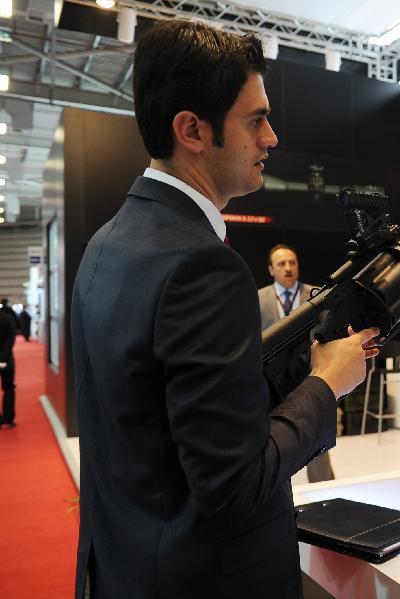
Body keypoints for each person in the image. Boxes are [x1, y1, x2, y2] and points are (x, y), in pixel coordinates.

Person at [70, 21, 378, 599]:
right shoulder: (200, 266)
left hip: (123, 570)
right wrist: (326, 382)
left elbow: (153, 426)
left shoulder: (105, 245)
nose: (273, 138)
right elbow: (234, 484)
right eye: (256, 119)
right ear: (191, 129)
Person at [259, 244, 335, 482]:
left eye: (292, 262)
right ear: (271, 270)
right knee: (272, 445)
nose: (288, 268)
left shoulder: (318, 296)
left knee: (318, 443)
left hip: (310, 378)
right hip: (271, 383)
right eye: (281, 264)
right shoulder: (257, 299)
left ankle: (324, 497)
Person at [0, 306, 15, 429]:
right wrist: (4, 356)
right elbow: (11, 337)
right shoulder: (7, 318)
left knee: (9, 387)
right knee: (9, 387)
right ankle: (8, 418)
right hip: (7, 359)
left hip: (6, 358)